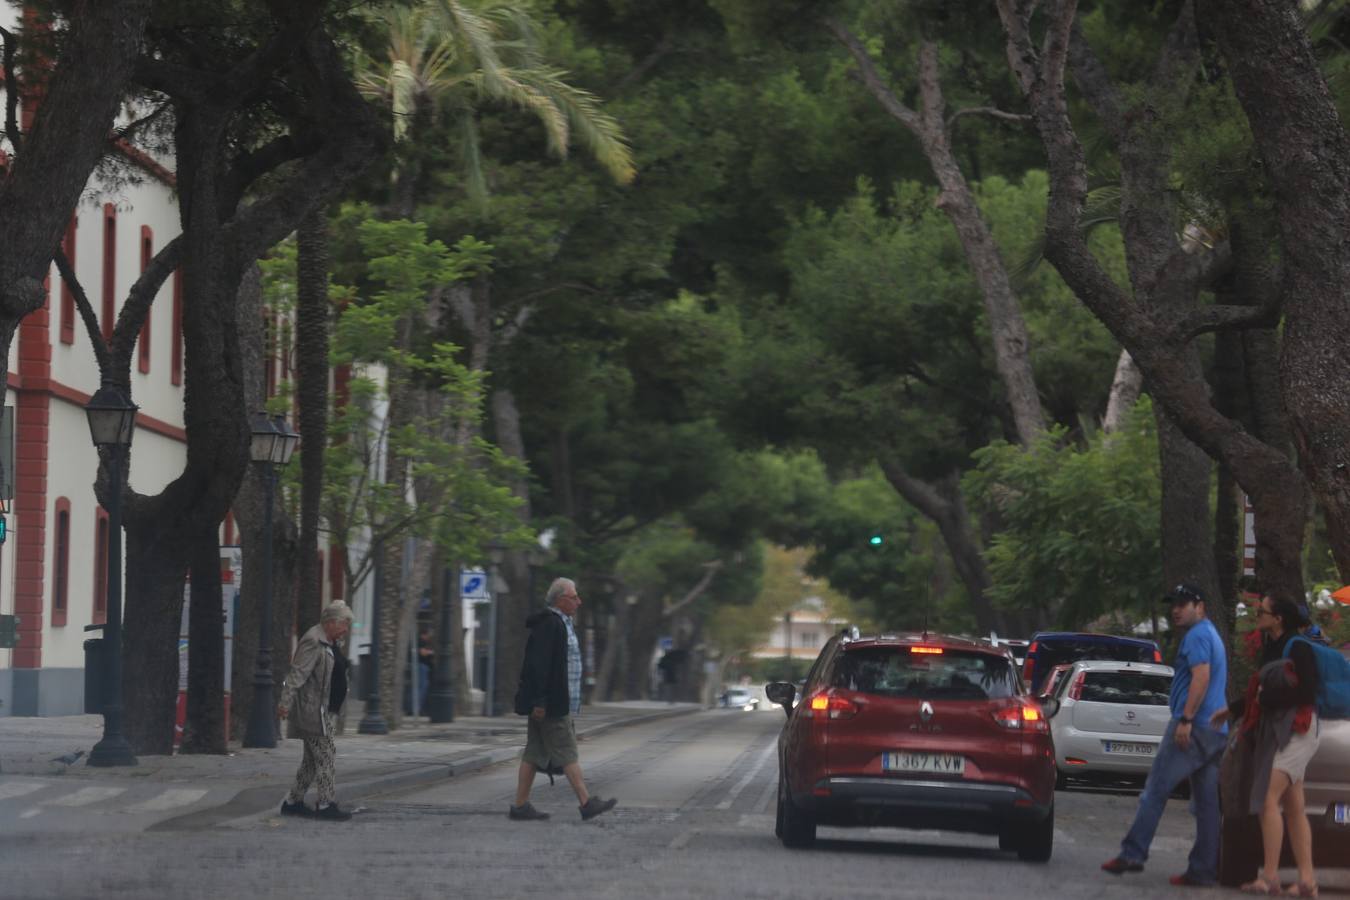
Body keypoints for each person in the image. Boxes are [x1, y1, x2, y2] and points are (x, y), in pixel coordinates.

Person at [1101, 583, 1228, 886]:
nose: (1176, 609)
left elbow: (1201, 677)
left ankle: (1133, 853)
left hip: (1194, 726)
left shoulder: (1197, 636)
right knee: (1208, 804)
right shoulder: (1212, 634)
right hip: (1216, 729)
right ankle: (1204, 870)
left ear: (1200, 606)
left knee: (1156, 789)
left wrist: (1185, 718)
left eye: (1183, 603)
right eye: (1173, 604)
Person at [1214, 593, 1321, 897]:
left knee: (1266, 799)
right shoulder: (1272, 647)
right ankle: (1307, 881)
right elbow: (1259, 690)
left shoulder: (1298, 646)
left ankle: (1270, 877)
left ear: (1278, 619)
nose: (1256, 613)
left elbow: (1307, 691)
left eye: (1262, 611)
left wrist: (1267, 700)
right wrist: (1233, 710)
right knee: (1294, 806)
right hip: (1279, 730)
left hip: (1298, 730)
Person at [508, 577, 616, 822]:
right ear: (560, 599)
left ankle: (520, 806)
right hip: (552, 703)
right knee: (567, 751)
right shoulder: (551, 625)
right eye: (574, 597)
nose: (579, 601)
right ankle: (587, 803)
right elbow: (539, 666)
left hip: (555, 701)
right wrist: (540, 701)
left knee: (534, 753)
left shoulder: (561, 623)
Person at [277, 600, 354, 821]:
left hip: (325, 711)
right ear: (330, 622)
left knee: (311, 761)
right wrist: (285, 703)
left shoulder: (330, 641)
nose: (346, 630)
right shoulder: (313, 640)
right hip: (313, 712)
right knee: (327, 755)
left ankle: (293, 802)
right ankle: (325, 803)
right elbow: (297, 674)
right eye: (343, 625)